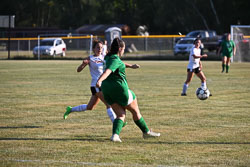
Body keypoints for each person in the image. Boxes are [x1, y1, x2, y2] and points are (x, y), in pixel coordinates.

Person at [96, 37, 160, 142]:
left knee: (121, 114)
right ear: (120, 48)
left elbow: (117, 64)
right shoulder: (115, 60)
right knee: (135, 109)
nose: (124, 50)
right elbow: (108, 71)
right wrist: (99, 80)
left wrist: (130, 66)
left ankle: (115, 136)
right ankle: (146, 132)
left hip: (106, 91)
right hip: (119, 89)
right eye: (124, 48)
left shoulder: (108, 57)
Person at [63, 40, 117, 124]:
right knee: (108, 104)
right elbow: (78, 70)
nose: (99, 49)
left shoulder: (104, 57)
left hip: (104, 85)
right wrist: (83, 64)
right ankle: (116, 122)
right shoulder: (90, 58)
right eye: (98, 47)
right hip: (95, 85)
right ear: (93, 49)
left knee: (90, 107)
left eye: (101, 48)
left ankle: (70, 109)